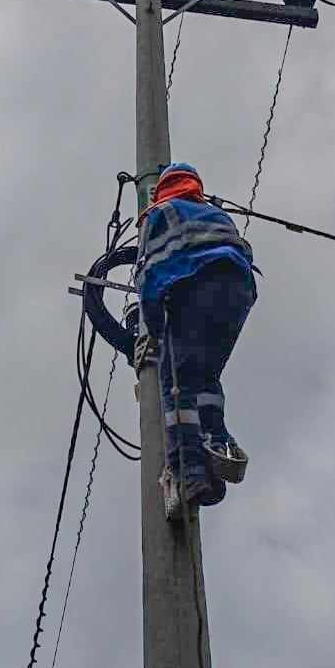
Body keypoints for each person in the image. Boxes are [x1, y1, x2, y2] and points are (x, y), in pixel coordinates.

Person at [136, 163, 257, 518]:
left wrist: (155, 332)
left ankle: (187, 469)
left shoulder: (160, 212)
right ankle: (215, 443)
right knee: (206, 376)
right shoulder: (215, 214)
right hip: (237, 292)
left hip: (190, 285)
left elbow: (150, 272)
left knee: (176, 381)